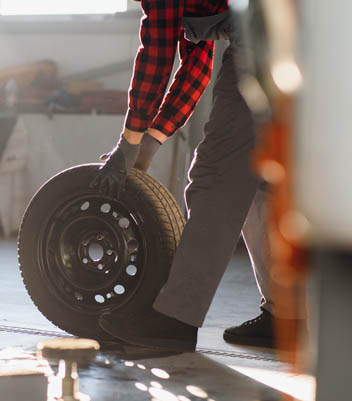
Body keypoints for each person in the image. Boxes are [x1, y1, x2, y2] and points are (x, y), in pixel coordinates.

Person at [90, 0, 305, 351]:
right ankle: (286, 317)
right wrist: (152, 140)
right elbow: (196, 63)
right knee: (260, 175)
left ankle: (175, 319)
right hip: (300, 34)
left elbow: (158, 55)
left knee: (216, 174)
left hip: (273, 36)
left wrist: (129, 142)